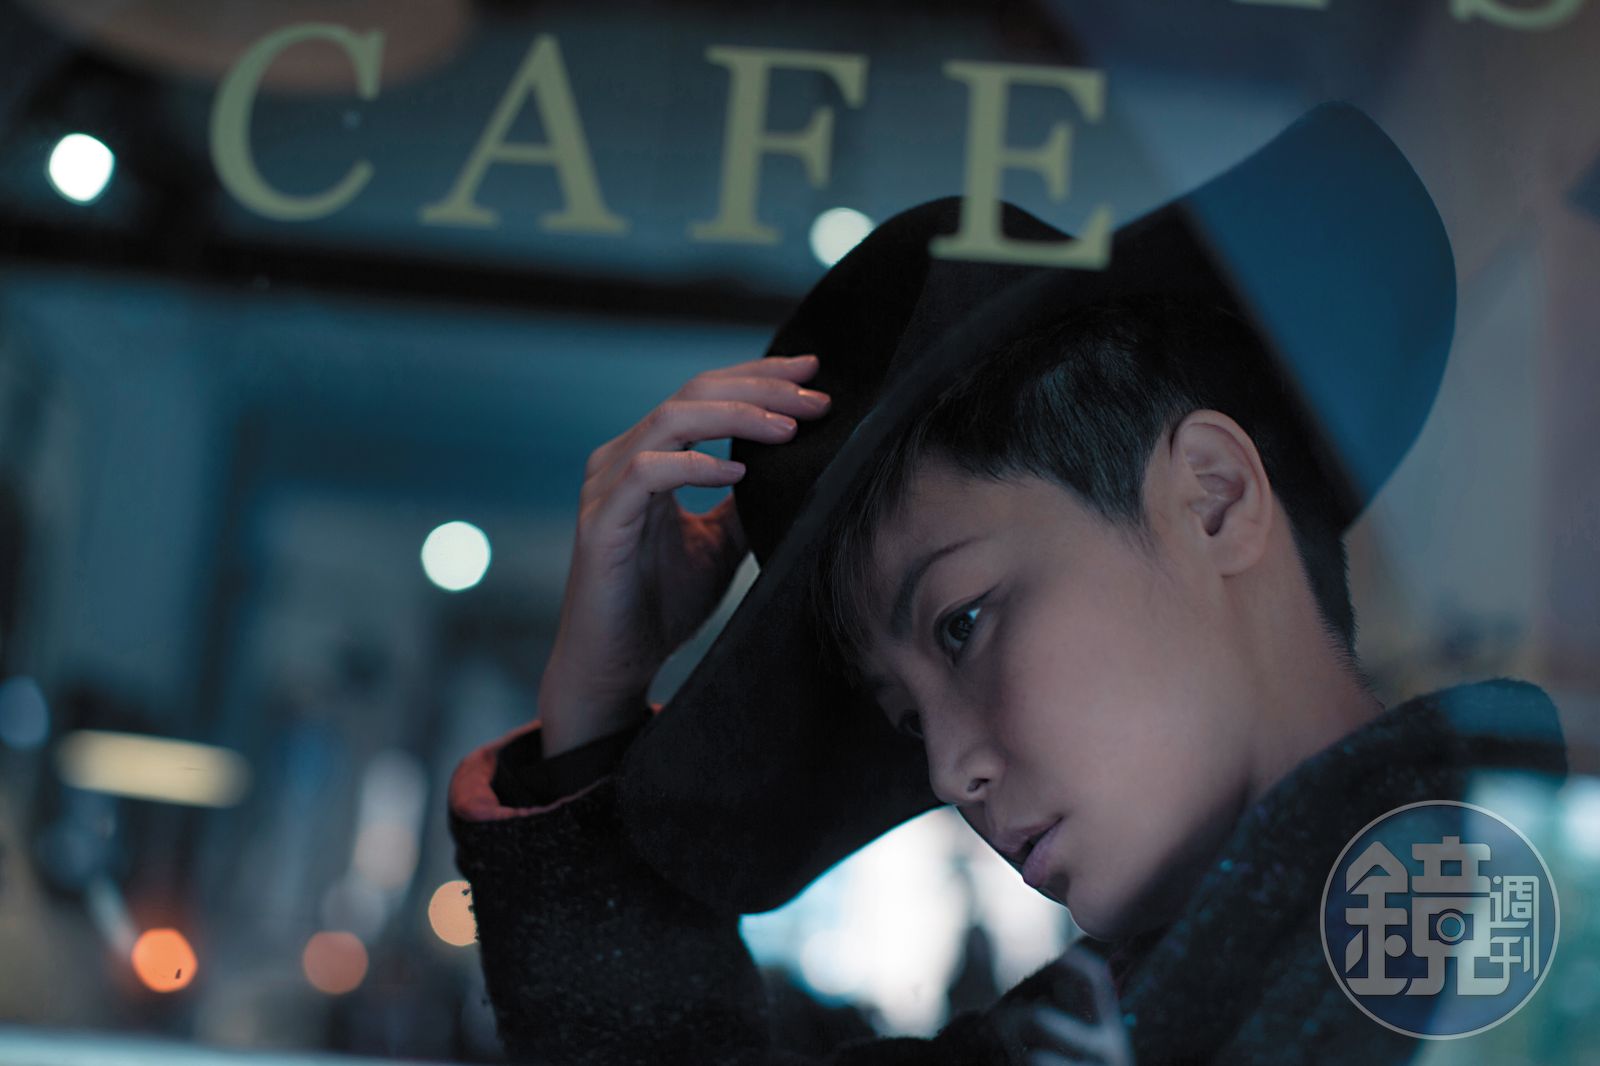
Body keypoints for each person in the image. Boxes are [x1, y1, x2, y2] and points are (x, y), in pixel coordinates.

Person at [446, 104, 1568, 1064]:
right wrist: (592, 709)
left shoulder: (1510, 944)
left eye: (961, 623)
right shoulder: (1232, 988)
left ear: (1214, 498)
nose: (949, 771)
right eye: (904, 717)